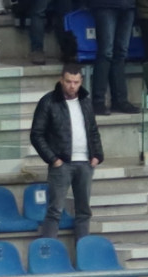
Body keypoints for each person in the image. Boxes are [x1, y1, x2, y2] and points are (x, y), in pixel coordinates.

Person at [34, 62, 107, 238]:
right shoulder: (49, 101)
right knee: (55, 211)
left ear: (81, 81)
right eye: (68, 82)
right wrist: (53, 159)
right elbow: (36, 134)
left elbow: (93, 130)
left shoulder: (85, 101)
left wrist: (97, 155)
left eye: (76, 82)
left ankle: (83, 250)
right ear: (61, 80)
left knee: (84, 212)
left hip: (85, 162)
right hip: (62, 163)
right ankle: (48, 251)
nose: (72, 86)